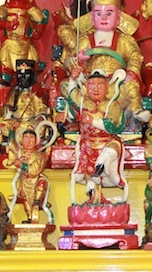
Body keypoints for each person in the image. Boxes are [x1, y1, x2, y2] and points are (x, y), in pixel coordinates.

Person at [57, 0, 149, 125]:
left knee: (132, 85)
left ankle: (136, 110)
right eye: (98, 13)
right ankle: (78, 113)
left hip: (114, 86)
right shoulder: (85, 40)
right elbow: (68, 61)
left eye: (109, 13)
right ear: (92, 18)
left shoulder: (125, 40)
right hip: (89, 86)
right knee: (65, 85)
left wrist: (131, 71)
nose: (104, 18)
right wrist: (78, 58)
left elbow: (136, 57)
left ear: (118, 18)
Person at [62, 69, 127, 204]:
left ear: (107, 88)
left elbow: (111, 125)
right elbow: (72, 97)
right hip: (87, 144)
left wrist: (92, 122)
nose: (96, 89)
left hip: (108, 141)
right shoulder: (83, 103)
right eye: (91, 85)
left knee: (110, 153)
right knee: (81, 173)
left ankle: (107, 171)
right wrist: (73, 79)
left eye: (100, 85)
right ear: (86, 87)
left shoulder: (112, 104)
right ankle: (93, 186)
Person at [0, 0, 48, 86]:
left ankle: (30, 81)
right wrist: (8, 24)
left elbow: (41, 21)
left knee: (30, 60)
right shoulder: (4, 8)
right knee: (6, 59)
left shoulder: (30, 9)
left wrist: (38, 32)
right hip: (11, 41)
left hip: (26, 42)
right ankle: (6, 79)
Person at [3, 128, 52, 224]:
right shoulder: (19, 152)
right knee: (25, 198)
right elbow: (11, 144)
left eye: (31, 138)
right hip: (24, 182)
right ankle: (30, 217)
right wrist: (12, 131)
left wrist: (21, 165)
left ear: (36, 141)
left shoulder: (39, 155)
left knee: (41, 185)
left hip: (36, 181)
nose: (28, 141)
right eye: (26, 138)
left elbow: (34, 171)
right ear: (22, 140)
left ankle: (37, 203)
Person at [0, 60, 50, 144]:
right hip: (16, 122)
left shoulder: (37, 91)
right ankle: (12, 141)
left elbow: (42, 108)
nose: (23, 78)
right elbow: (8, 110)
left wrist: (38, 118)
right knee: (3, 124)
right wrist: (11, 115)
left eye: (26, 75)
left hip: (31, 122)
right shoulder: (13, 91)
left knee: (41, 126)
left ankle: (31, 140)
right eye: (20, 75)